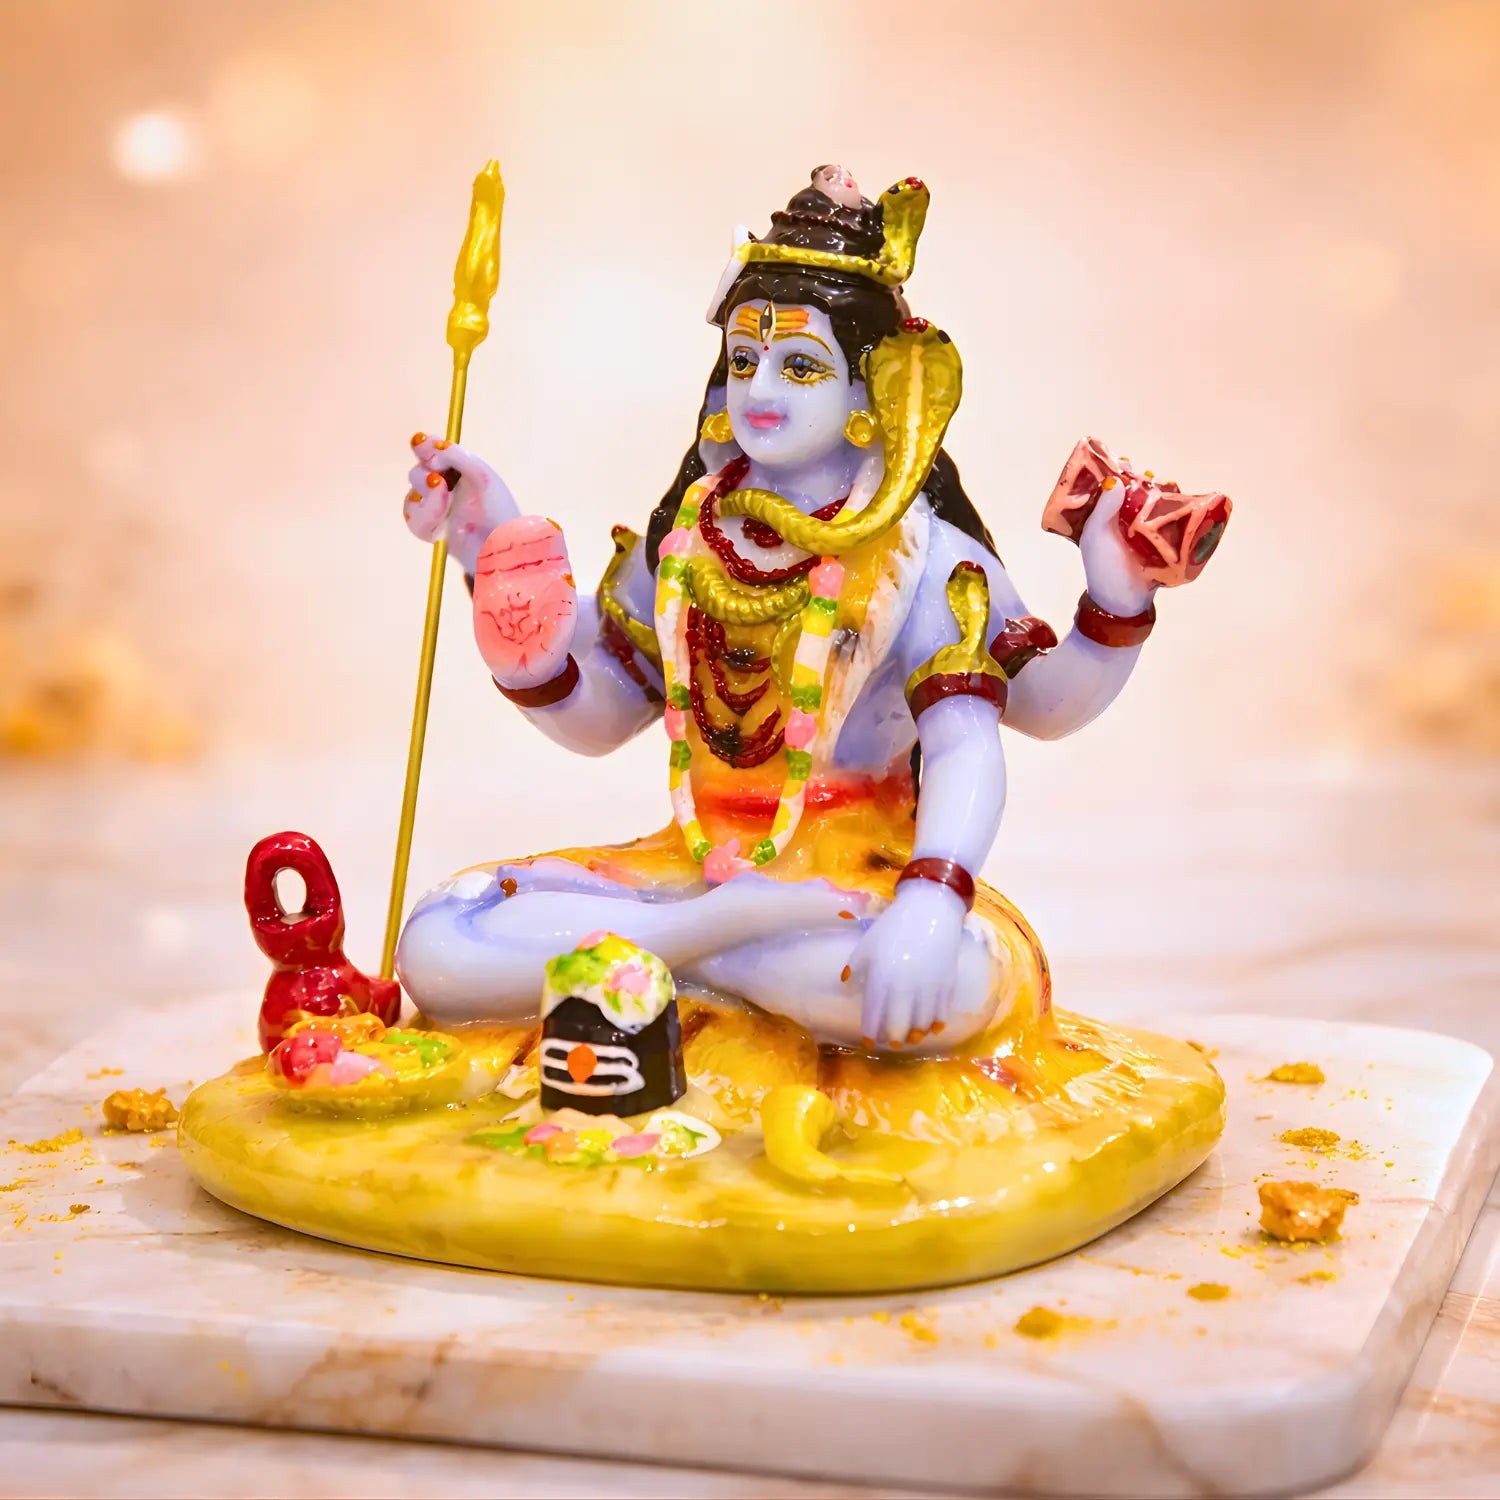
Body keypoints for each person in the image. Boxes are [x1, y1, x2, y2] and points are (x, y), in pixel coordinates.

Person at [396, 167, 1192, 1054]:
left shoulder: (919, 557)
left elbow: (997, 732)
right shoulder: (693, 538)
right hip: (692, 875)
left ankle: (656, 966)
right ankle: (712, 947)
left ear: (869, 400)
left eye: (799, 365)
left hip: (852, 887)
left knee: (960, 984)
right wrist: (506, 591)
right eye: (744, 360)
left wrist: (932, 901)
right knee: (438, 939)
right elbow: (600, 721)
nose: (760, 391)